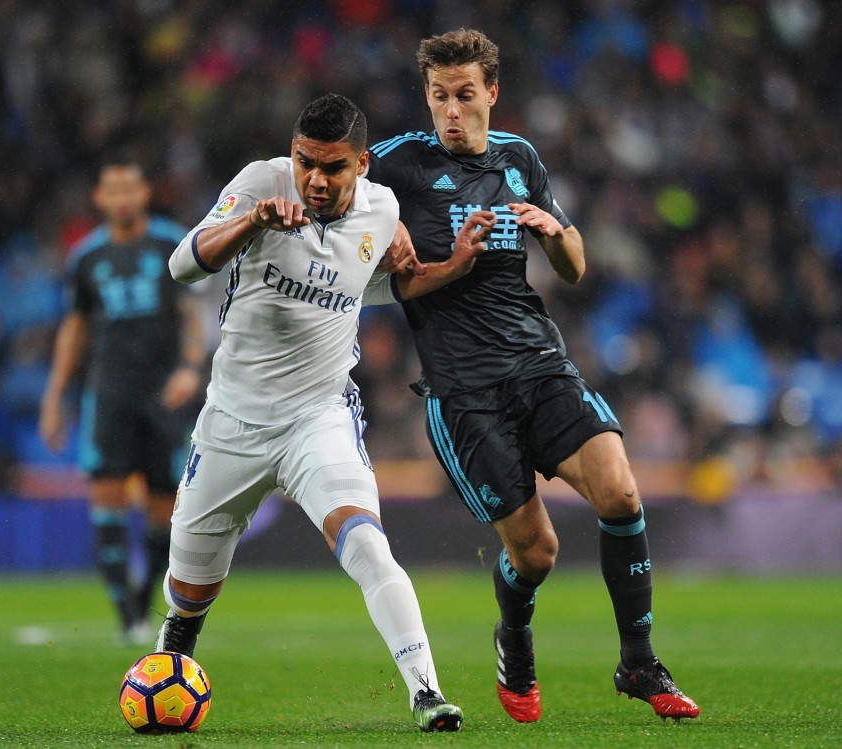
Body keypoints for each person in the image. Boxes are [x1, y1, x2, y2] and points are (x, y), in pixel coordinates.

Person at [366, 28, 700, 723]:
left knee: (620, 491)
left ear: (492, 92)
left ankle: (638, 660)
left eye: (464, 95)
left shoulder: (519, 158)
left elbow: (574, 267)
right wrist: (388, 230)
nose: (451, 110)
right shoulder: (398, 165)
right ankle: (513, 636)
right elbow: (340, 204)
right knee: (538, 552)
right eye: (438, 96)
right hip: (464, 391)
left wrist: (555, 233)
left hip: (539, 362)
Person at [155, 93, 496, 732]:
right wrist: (253, 222)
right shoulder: (262, 183)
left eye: (333, 167)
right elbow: (182, 266)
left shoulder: (382, 210)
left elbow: (375, 286)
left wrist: (450, 268)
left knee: (366, 542)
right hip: (231, 421)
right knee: (190, 588)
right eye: (305, 161)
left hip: (319, 416)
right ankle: (173, 654)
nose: (314, 179)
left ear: (361, 165)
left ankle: (426, 692)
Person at [39, 157, 207, 644]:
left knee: (164, 513)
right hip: (109, 393)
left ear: (144, 194)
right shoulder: (86, 257)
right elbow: (74, 329)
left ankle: (142, 601)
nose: (123, 198)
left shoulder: (171, 243)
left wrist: (190, 367)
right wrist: (53, 398)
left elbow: (192, 313)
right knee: (107, 503)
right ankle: (128, 617)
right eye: (113, 189)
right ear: (100, 198)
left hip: (164, 396)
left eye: (130, 188)